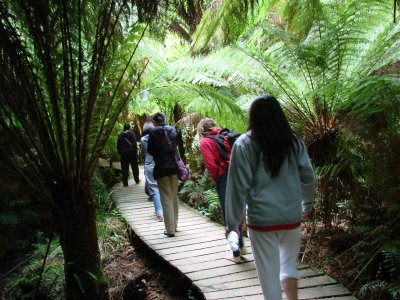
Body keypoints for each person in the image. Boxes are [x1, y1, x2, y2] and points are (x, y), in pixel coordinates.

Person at [225, 94, 315, 300]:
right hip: (291, 216)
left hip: (262, 220)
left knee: (269, 277)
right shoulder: (293, 141)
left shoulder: (243, 144)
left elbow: (237, 188)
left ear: (253, 117)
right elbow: (308, 176)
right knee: (289, 265)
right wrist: (307, 204)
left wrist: (233, 224)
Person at [197, 118, 245, 261]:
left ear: (201, 130)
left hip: (224, 177)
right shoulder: (226, 135)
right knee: (239, 209)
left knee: (228, 214)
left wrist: (217, 178)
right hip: (240, 175)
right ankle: (241, 247)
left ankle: (235, 253)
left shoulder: (205, 141)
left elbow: (211, 165)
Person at [147, 112, 179, 237]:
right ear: (164, 119)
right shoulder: (172, 129)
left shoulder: (153, 132)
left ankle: (170, 229)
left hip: (161, 168)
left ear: (154, 122)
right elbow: (177, 146)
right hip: (173, 167)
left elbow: (150, 151)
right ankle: (175, 225)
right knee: (174, 197)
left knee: (166, 199)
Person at [141, 119, 164, 222]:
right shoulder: (160, 137)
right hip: (160, 164)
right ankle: (166, 211)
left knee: (154, 190)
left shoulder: (143, 140)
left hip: (149, 165)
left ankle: (160, 214)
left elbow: (144, 153)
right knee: (162, 188)